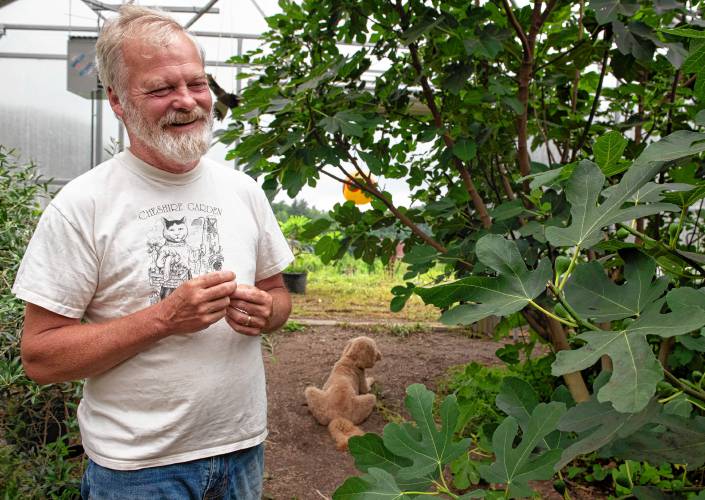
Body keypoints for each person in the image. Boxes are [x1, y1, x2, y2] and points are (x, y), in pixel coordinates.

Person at [12, 5, 293, 499]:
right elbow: (41, 356)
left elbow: (279, 296)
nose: (186, 101)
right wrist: (164, 318)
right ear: (118, 102)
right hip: (138, 471)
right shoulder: (83, 205)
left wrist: (267, 312)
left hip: (243, 450)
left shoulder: (243, 190)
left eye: (197, 83)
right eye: (162, 89)